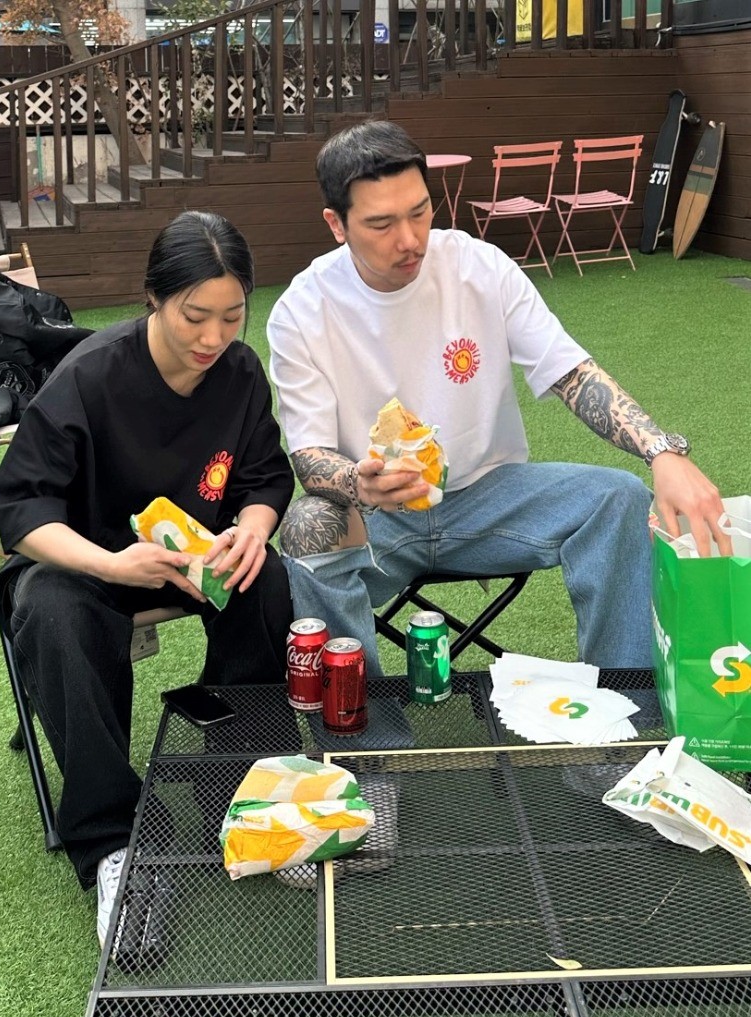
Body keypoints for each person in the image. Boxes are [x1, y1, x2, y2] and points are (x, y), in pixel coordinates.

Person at [267, 120, 728, 679]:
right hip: (377, 516)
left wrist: (661, 450)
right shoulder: (302, 310)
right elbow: (309, 455)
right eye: (381, 224)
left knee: (619, 497)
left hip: (489, 496)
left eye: (420, 212)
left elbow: (571, 374)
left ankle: (622, 695)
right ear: (336, 225)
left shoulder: (478, 266)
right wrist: (360, 484)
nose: (409, 239)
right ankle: (359, 719)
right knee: (308, 524)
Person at [0, 211, 294, 958]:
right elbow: (20, 509)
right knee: (52, 610)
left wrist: (252, 530)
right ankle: (113, 843)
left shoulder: (238, 373)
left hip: (188, 560)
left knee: (266, 578)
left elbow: (262, 477)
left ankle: (235, 780)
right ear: (153, 297)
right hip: (83, 565)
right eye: (194, 315)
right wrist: (110, 563)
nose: (213, 337)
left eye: (231, 315)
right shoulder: (89, 375)